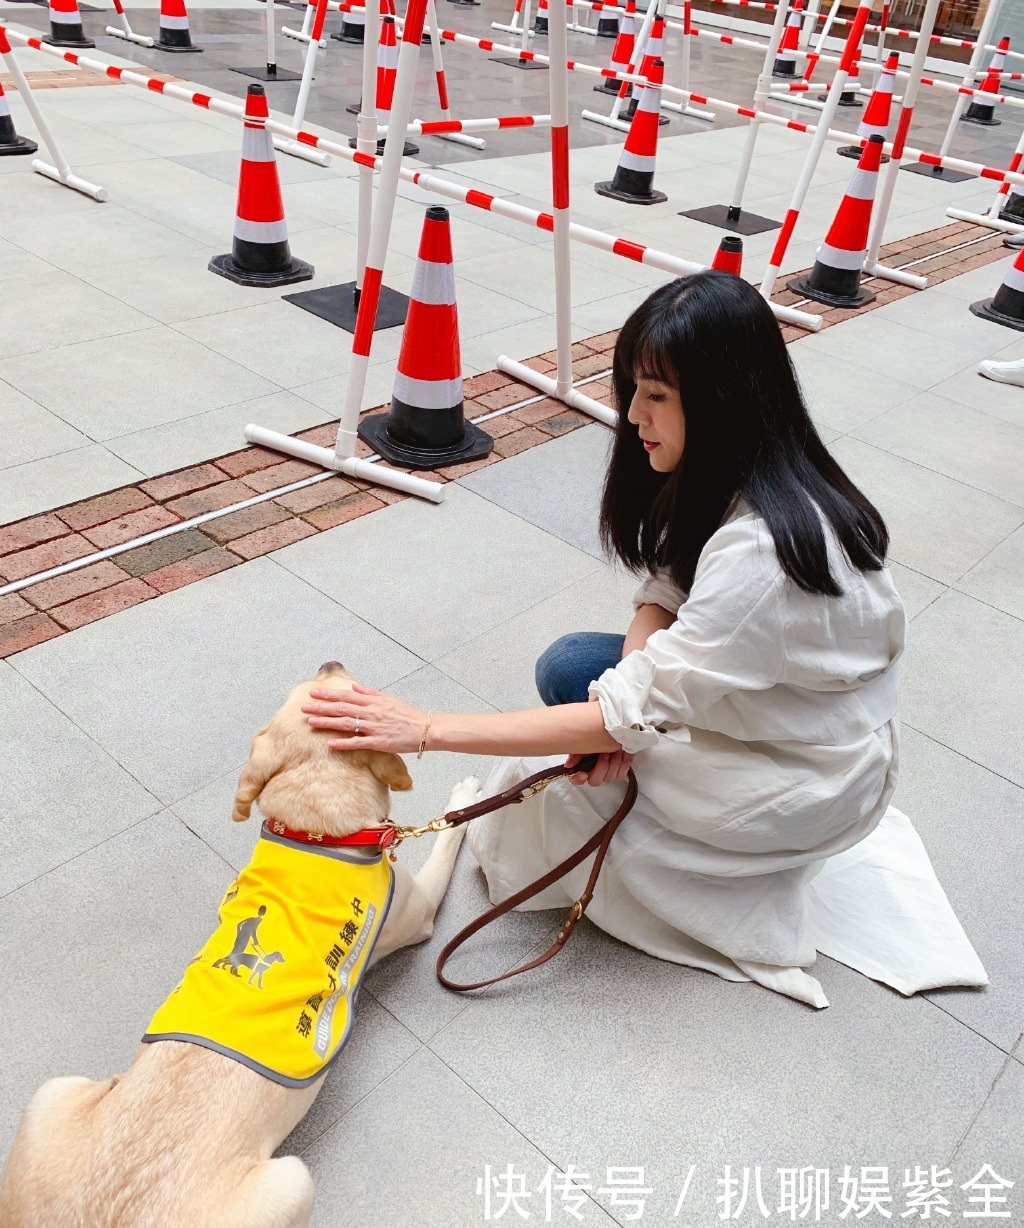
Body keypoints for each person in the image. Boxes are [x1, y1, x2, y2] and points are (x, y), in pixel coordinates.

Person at [302, 271, 987, 1009]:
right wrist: (626, 713)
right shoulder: (749, 475)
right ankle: (656, 768)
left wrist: (427, 730)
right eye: (633, 388)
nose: (632, 415)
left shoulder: (763, 557)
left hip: (809, 780)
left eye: (656, 395)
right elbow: (665, 591)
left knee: (579, 713)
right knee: (575, 672)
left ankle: (737, 860)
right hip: (798, 723)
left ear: (721, 398)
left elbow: (660, 652)